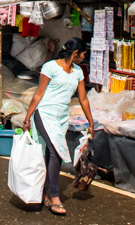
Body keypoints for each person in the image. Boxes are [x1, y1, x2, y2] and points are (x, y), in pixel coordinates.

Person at [21, 39, 94, 215]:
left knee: (52, 154)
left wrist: (91, 123)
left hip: (61, 118)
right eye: (83, 53)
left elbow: (83, 98)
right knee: (56, 151)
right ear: (76, 53)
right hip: (44, 114)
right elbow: (39, 93)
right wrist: (27, 118)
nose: (84, 57)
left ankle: (42, 193)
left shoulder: (78, 72)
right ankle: (54, 196)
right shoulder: (50, 67)